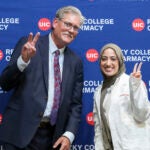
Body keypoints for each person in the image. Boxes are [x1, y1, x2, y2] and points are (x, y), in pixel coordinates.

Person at [0, 6, 85, 150]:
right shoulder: (29, 45)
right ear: (55, 22)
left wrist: (68, 135)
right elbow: (5, 84)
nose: (71, 30)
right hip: (19, 133)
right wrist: (23, 61)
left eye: (76, 28)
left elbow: (75, 105)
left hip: (52, 138)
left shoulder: (76, 62)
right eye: (68, 24)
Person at [93, 43, 150, 150]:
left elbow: (142, 115)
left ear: (120, 61)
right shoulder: (98, 91)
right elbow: (99, 128)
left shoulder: (132, 82)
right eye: (104, 59)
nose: (108, 63)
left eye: (113, 59)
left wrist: (135, 86)